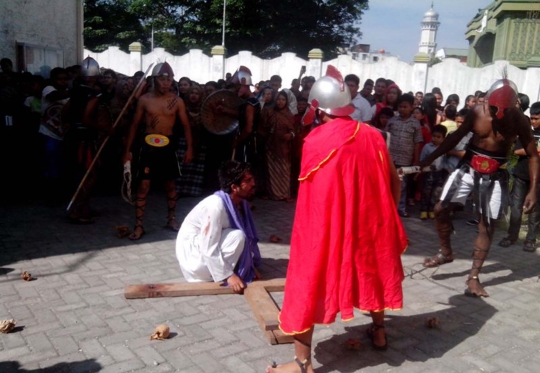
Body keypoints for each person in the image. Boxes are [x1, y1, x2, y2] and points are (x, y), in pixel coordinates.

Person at [267, 66, 407, 373]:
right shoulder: (374, 136)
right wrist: (386, 216)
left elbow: (310, 199)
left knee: (308, 277)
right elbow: (394, 182)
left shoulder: (315, 141)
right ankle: (379, 330)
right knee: (373, 269)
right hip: (369, 226)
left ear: (317, 108)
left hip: (326, 229)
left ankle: (302, 363)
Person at [420, 78, 539, 297]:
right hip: (467, 170)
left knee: (487, 226)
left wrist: (532, 190)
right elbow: (455, 137)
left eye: (503, 110)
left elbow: (533, 155)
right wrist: (430, 158)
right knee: (439, 209)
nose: (497, 114)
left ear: (513, 105)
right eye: (494, 109)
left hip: (494, 176)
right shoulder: (477, 112)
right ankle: (446, 252)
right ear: (488, 101)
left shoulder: (519, 121)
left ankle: (473, 277)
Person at [123, 62, 193, 240]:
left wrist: (190, 148)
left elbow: (186, 126)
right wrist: (127, 151)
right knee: (143, 186)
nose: (166, 83)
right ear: (155, 80)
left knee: (170, 184)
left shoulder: (177, 101)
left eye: (169, 80)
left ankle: (171, 219)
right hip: (148, 146)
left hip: (168, 146)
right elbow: (134, 125)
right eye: (162, 79)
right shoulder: (144, 100)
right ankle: (139, 226)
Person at [176, 161, 261, 293]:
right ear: (234, 187)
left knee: (238, 236)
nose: (253, 184)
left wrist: (247, 263)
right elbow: (208, 247)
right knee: (237, 236)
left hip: (204, 248)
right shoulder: (215, 207)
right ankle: (217, 273)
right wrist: (228, 275)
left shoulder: (241, 204)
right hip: (194, 260)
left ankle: (225, 268)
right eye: (248, 181)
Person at [499, 102, 540, 251]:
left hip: (537, 179)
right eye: (532, 118)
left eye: (537, 118)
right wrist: (534, 151)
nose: (534, 121)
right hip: (521, 175)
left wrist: (530, 151)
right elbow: (516, 151)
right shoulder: (526, 132)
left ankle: (530, 239)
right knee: (516, 208)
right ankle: (512, 236)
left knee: (534, 210)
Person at [386, 93, 423, 217]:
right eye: (400, 107)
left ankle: (400, 207)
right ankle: (387, 206)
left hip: (405, 159)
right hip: (391, 157)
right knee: (388, 181)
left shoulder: (415, 124)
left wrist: (416, 160)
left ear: (412, 107)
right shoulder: (392, 121)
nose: (402, 109)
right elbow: (386, 138)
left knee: (402, 184)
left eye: (405, 107)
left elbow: (417, 143)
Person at [260, 90, 295, 201]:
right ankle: (271, 193)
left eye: (283, 100)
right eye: (278, 99)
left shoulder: (289, 114)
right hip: (271, 145)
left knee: (284, 170)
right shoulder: (269, 111)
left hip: (284, 146)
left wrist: (290, 135)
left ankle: (285, 194)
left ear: (286, 101)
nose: (280, 102)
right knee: (271, 170)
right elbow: (262, 124)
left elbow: (294, 130)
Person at [419, 125, 448, 220]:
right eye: (434, 136)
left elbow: (445, 161)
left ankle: (431, 209)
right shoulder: (427, 147)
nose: (435, 139)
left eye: (438, 137)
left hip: (439, 173)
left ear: (443, 138)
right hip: (428, 173)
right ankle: (423, 210)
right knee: (426, 191)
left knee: (435, 193)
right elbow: (422, 159)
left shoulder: (444, 148)